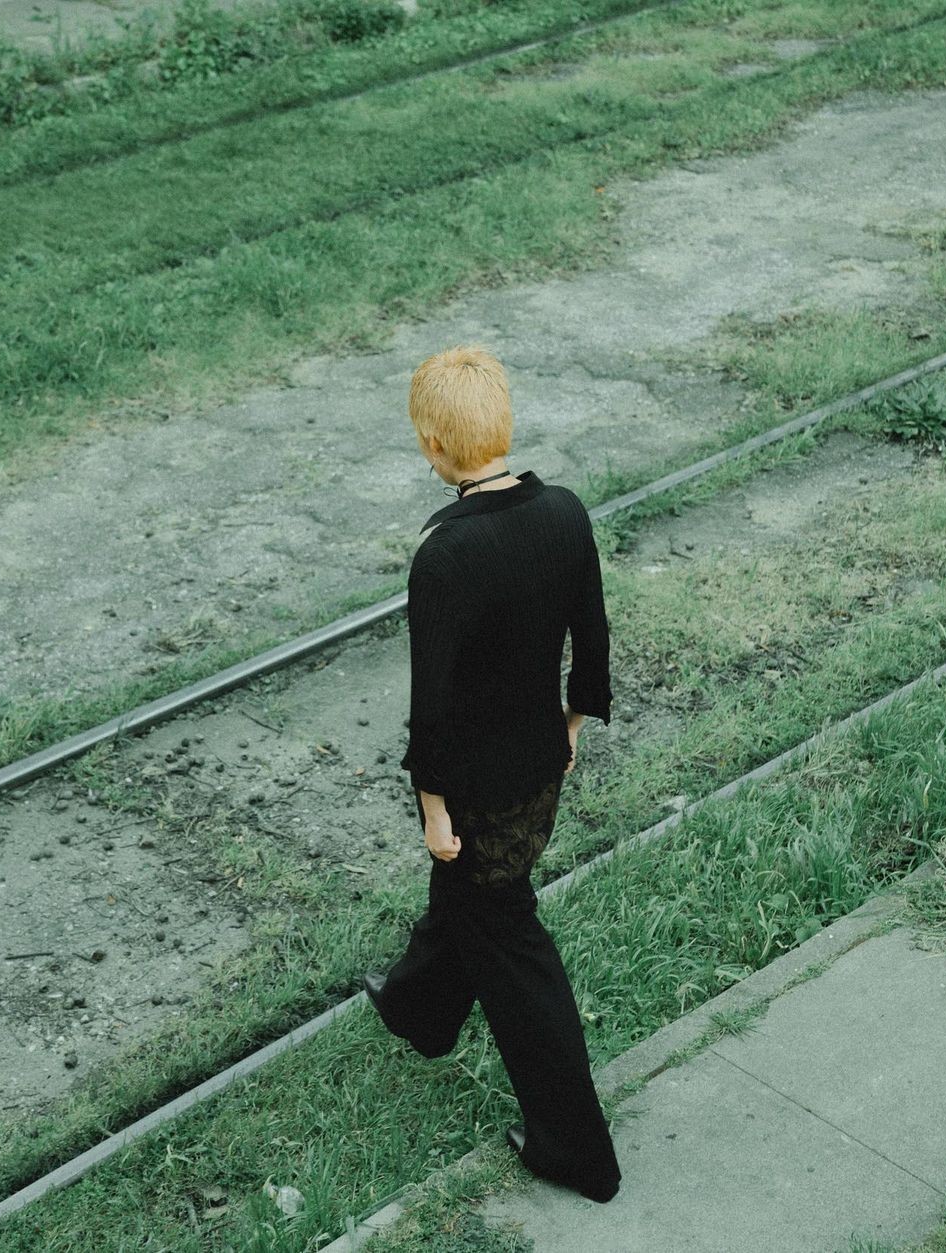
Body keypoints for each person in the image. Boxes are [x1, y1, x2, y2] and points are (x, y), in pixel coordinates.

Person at [363, 344, 621, 1205]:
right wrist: (573, 725)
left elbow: (429, 710)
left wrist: (434, 813)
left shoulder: (445, 555)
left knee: (509, 941)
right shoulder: (566, 514)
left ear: (434, 446)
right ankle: (419, 1007)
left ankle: (577, 1150)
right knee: (475, 907)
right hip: (540, 771)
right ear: (501, 422)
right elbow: (593, 637)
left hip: (475, 796)